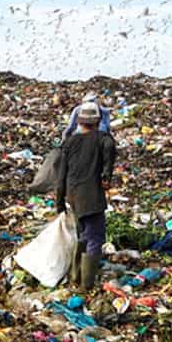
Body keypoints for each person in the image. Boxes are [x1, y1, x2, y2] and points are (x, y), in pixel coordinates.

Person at [57, 102, 117, 290]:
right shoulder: (102, 138)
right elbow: (110, 149)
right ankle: (86, 284)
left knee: (83, 234)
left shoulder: (69, 142)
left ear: (80, 120)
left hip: (73, 196)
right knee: (95, 238)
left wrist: (59, 202)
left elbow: (61, 175)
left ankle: (76, 277)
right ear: (98, 120)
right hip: (91, 195)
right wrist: (106, 174)